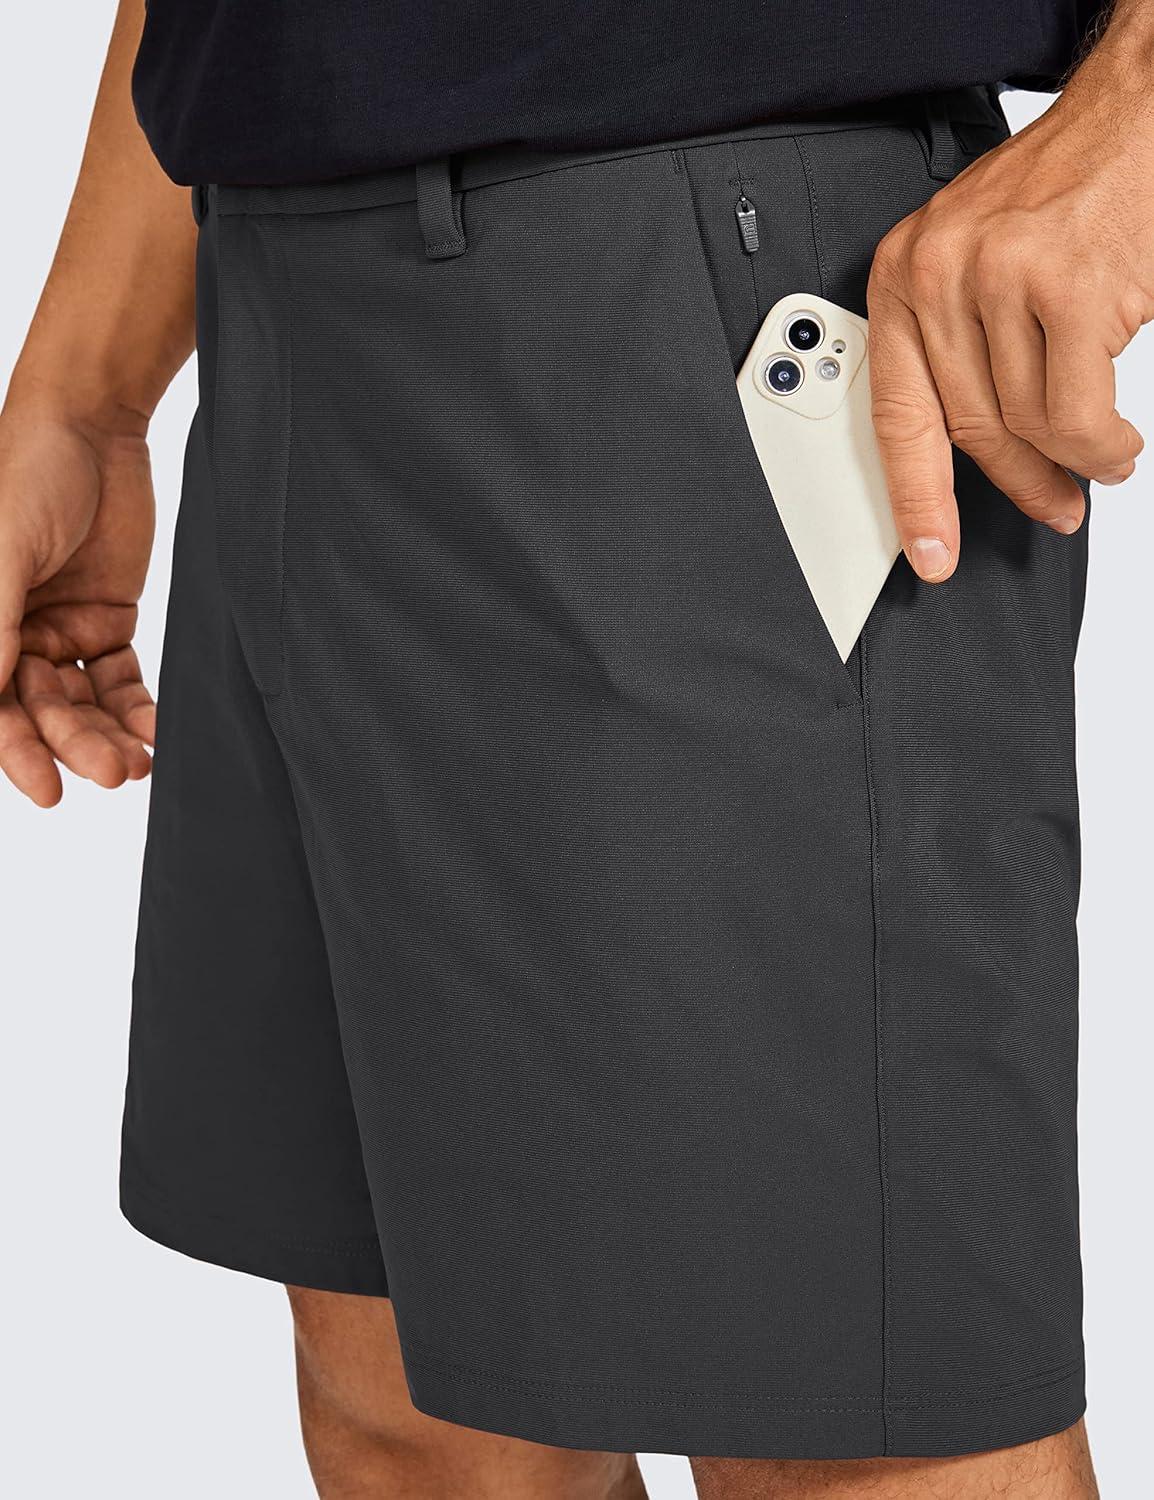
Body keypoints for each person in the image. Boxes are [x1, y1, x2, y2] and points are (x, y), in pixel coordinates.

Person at [0, 0, 1145, 1494]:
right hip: (284, 285)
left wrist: (1132, 114)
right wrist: (88, 391)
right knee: (414, 1417)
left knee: (844, 1432)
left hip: (701, 277)